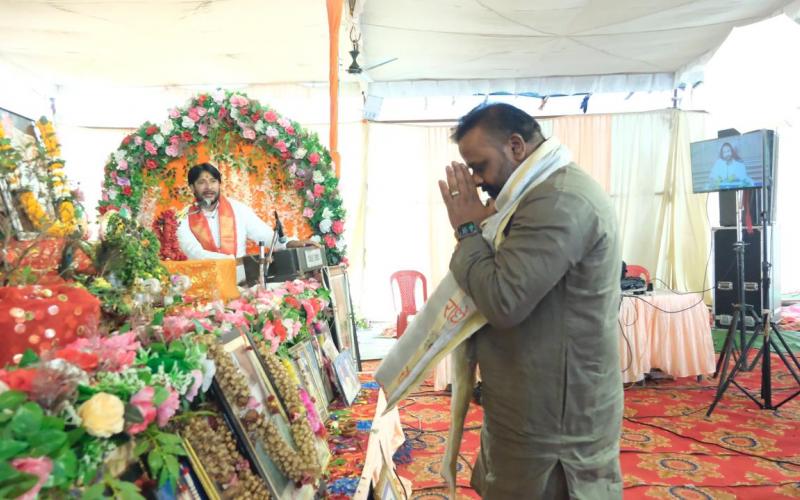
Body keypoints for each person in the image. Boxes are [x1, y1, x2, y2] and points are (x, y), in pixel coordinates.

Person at [439, 103, 623, 499]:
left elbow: (505, 300)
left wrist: (469, 230)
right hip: (531, 397)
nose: (476, 180)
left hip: (553, 418)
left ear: (517, 147)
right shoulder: (536, 193)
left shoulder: (557, 201)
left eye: (480, 165)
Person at [177, 163, 316, 282]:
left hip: (242, 282)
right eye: (201, 182)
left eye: (213, 181)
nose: (209, 187)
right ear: (192, 187)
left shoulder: (238, 209)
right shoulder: (182, 217)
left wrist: (291, 243)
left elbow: (266, 236)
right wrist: (236, 261)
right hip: (205, 283)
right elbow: (193, 252)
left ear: (219, 184)